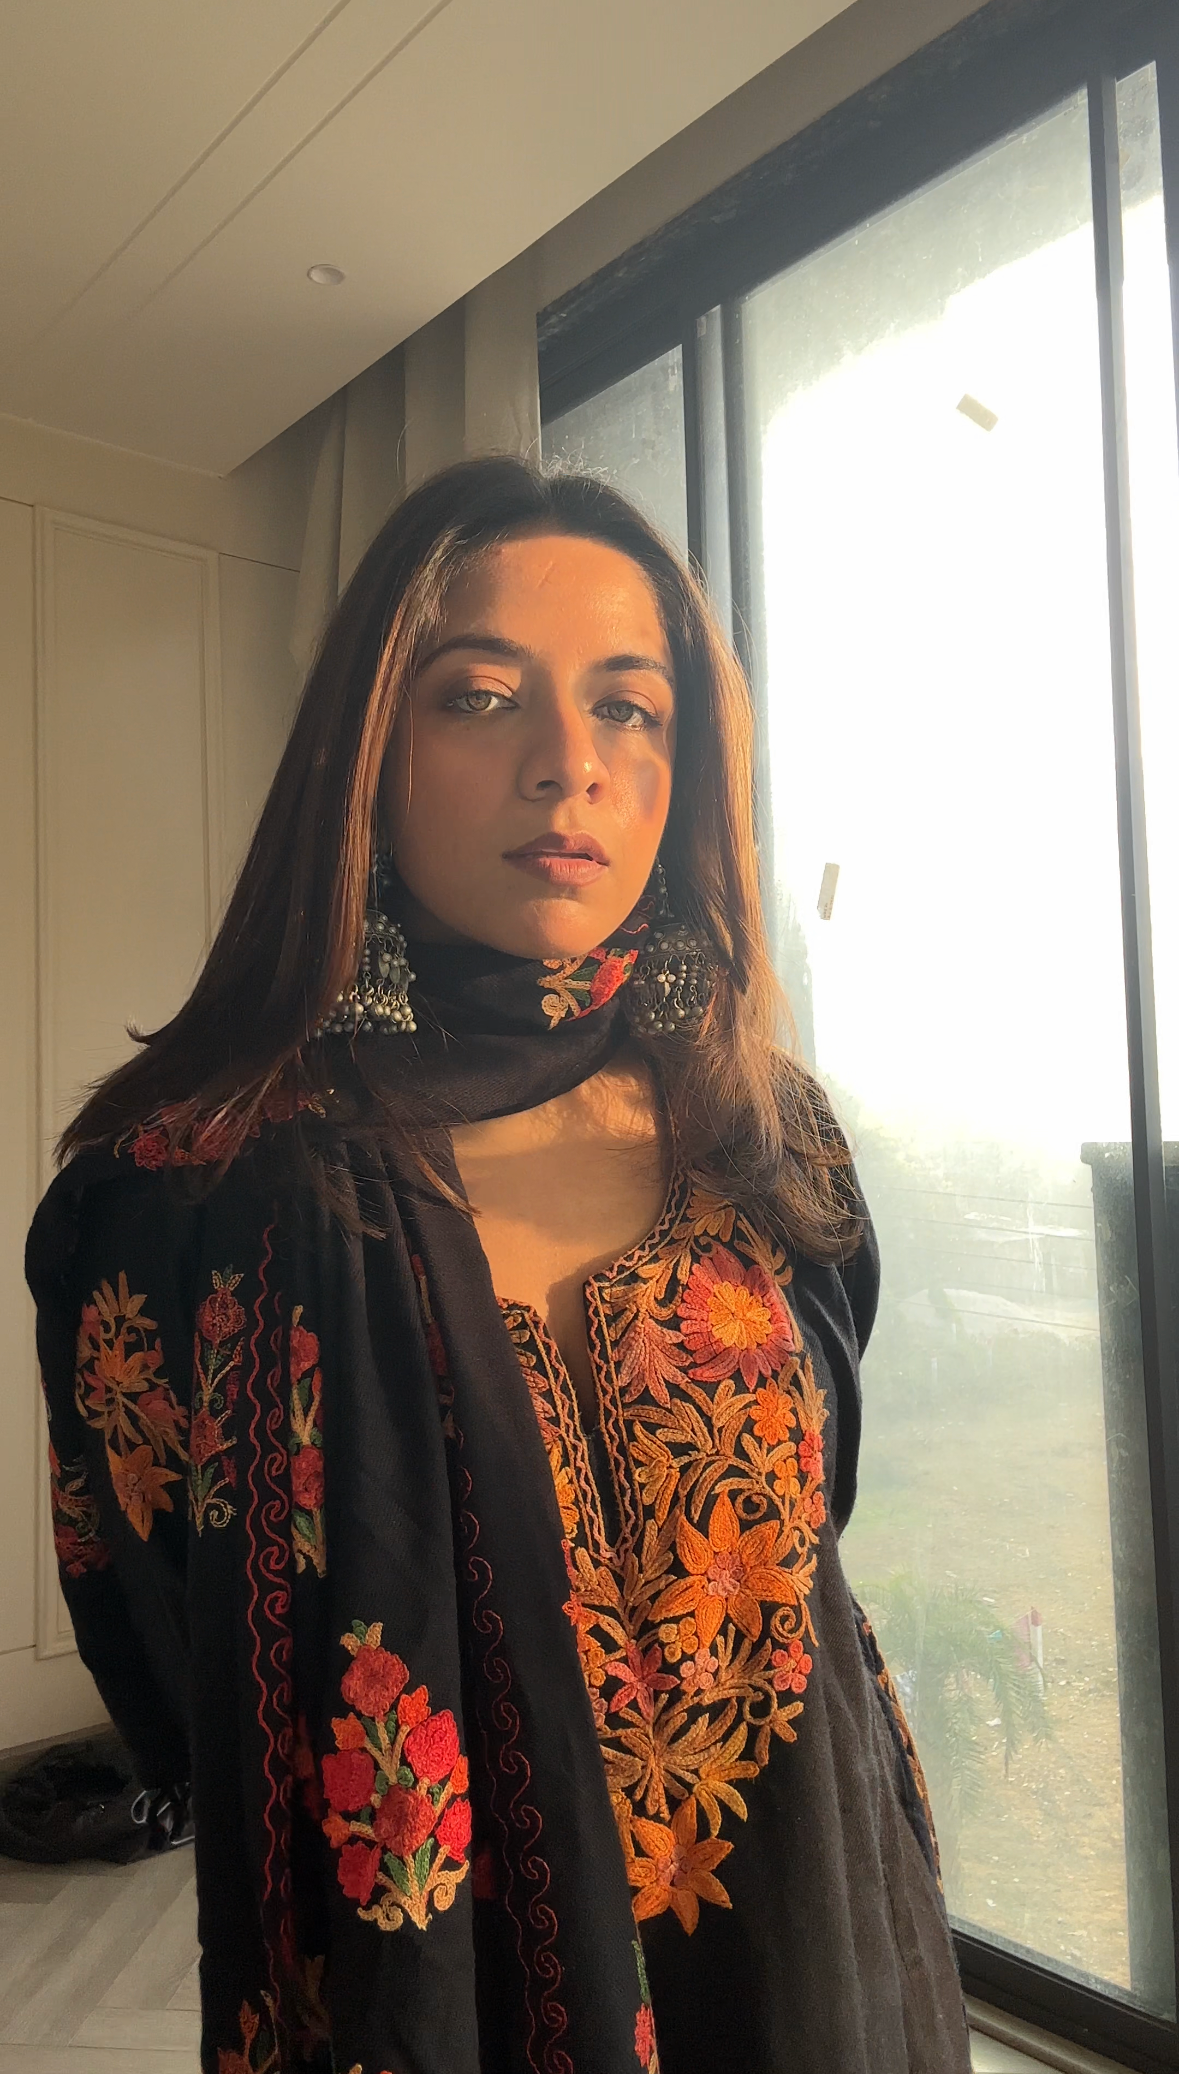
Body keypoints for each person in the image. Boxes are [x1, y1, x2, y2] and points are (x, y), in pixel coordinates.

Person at [26, 457, 972, 2074]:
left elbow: (816, 1519)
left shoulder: (766, 1137)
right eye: (480, 696)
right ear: (369, 749)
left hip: (816, 1953)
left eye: (629, 709)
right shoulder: (193, 1190)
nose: (569, 765)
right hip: (437, 2001)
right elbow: (174, 1658)